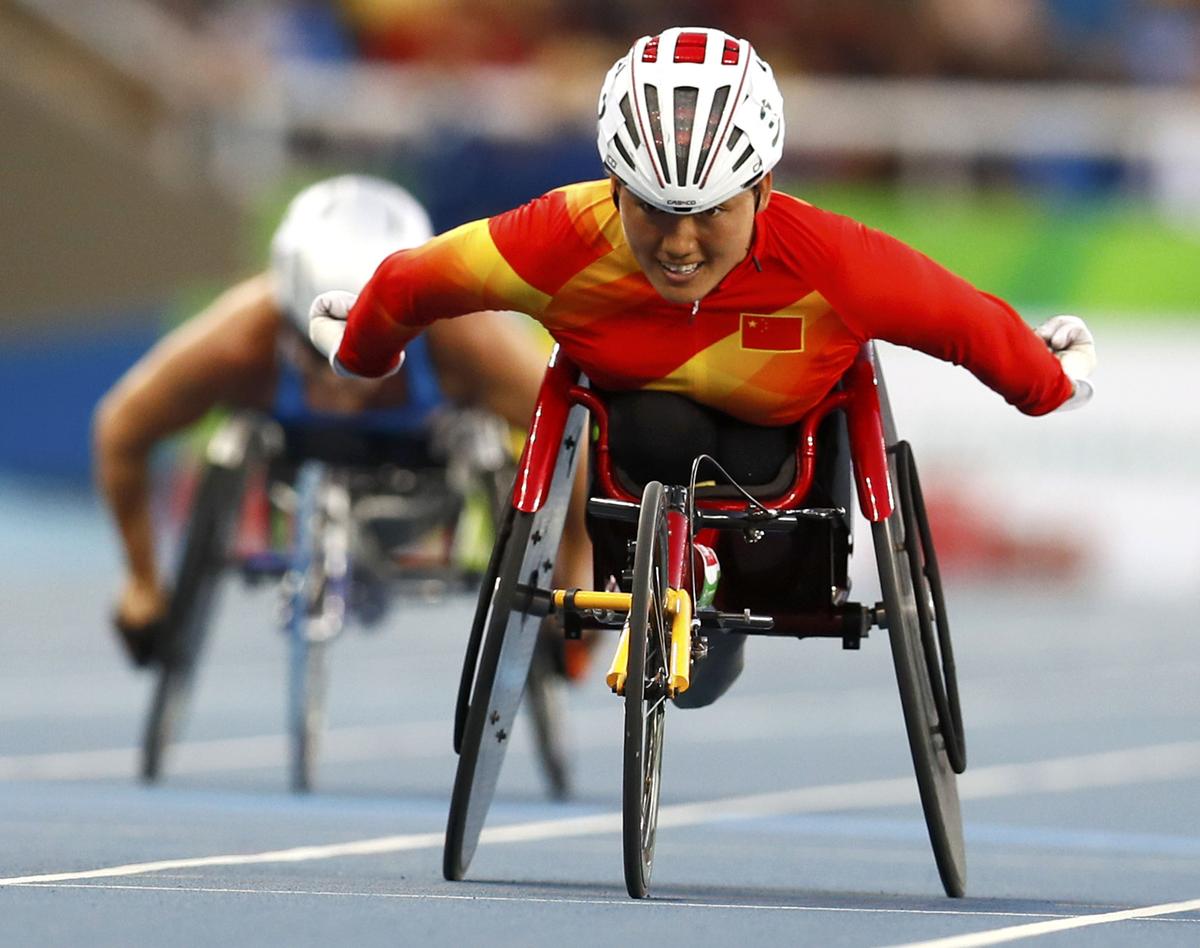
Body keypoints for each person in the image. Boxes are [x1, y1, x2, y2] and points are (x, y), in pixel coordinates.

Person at [306, 28, 1097, 706]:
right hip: (629, 474)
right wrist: (361, 350)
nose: (680, 246)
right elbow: (414, 283)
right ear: (615, 189)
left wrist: (1047, 381)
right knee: (651, 418)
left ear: (762, 189)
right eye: (653, 211)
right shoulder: (556, 239)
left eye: (711, 213)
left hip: (780, 490)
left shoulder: (834, 261)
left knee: (736, 440)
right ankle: (673, 593)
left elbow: (965, 323)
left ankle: (717, 606)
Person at [94, 174, 591, 666]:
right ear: (289, 319)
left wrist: (575, 572)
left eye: (371, 353)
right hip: (288, 470)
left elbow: (575, 437)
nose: (343, 383)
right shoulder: (241, 340)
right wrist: (142, 579)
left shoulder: (465, 338)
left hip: (429, 481)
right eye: (319, 352)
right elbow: (121, 428)